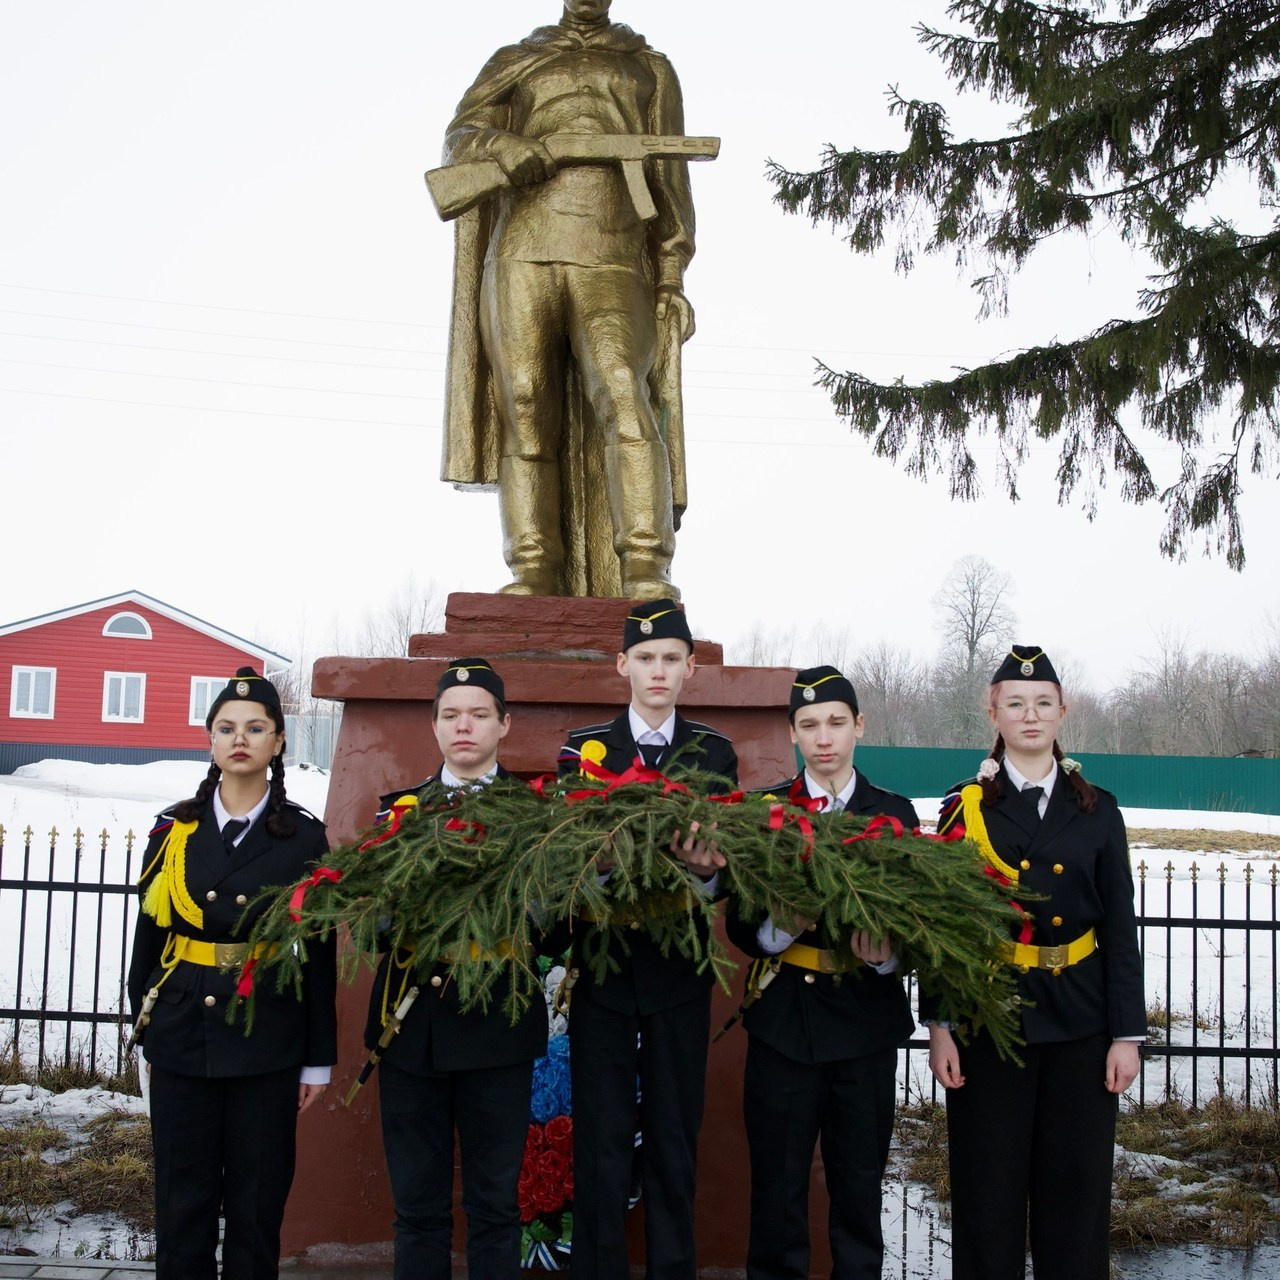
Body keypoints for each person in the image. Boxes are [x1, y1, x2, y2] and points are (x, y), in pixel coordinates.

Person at [439, 0, 699, 599]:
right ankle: (533, 566)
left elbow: (671, 184)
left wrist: (669, 275)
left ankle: (643, 564)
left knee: (623, 394)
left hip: (612, 251)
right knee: (525, 404)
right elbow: (460, 138)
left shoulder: (649, 67)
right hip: (521, 250)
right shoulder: (518, 60)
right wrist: (503, 147)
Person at [926, 645, 1145, 1280]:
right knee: (986, 1193)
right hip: (990, 1018)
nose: (1030, 715)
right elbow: (946, 925)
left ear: (1062, 712)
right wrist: (939, 1024)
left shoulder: (1099, 810)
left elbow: (1120, 927)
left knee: (1074, 1199)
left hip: (1080, 1022)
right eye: (1015, 703)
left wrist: (1125, 1034)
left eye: (1042, 703)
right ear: (992, 712)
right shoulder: (964, 807)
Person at [127, 667, 336, 1280]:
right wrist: (146, 1024)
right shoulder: (175, 832)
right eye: (226, 727)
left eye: (255, 727)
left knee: (255, 1208)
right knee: (181, 1205)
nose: (239, 738)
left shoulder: (304, 838)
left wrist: (316, 1059)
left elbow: (319, 954)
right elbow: (149, 936)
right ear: (210, 741)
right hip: (183, 1028)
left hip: (266, 1034)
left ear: (277, 743)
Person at [557, 598, 737, 1280]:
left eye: (670, 659)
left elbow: (725, 873)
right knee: (599, 1143)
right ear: (621, 664)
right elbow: (566, 857)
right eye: (645, 658)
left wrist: (706, 873)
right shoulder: (586, 750)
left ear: (690, 669)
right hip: (603, 967)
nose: (657, 672)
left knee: (672, 1142)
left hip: (678, 971)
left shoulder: (713, 752)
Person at [726, 665, 918, 1280]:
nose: (824, 737)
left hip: (864, 1026)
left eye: (836, 722)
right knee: (777, 1194)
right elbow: (739, 923)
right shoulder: (767, 812)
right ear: (792, 735)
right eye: (809, 725)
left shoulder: (892, 813)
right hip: (785, 1024)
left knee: (858, 1192)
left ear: (859, 726)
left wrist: (886, 954)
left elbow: (921, 923)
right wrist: (780, 924)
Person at [363, 658, 548, 1280]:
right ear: (434, 726)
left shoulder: (537, 818)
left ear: (503, 725)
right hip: (413, 1033)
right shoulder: (398, 816)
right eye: (450, 715)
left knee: (496, 1207)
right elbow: (372, 926)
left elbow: (555, 921)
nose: (462, 726)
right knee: (418, 1208)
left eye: (477, 714)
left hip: (499, 1029)